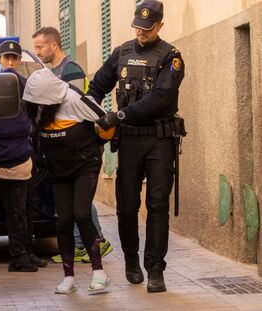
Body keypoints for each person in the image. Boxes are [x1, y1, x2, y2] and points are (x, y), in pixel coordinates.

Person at [88, 0, 185, 293]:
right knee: (127, 205)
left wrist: (119, 114)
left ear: (160, 26)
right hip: (128, 138)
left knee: (157, 204)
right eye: (138, 28)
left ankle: (155, 268)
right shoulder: (121, 53)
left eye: (148, 28)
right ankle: (131, 261)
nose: (141, 33)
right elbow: (97, 87)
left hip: (159, 138)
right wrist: (90, 111)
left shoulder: (171, 56)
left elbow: (161, 97)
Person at [23, 68, 113, 294]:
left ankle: (99, 273)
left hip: (85, 165)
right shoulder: (36, 109)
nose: (38, 105)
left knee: (81, 213)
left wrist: (99, 140)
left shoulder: (74, 100)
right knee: (63, 221)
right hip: (58, 169)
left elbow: (107, 121)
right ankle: (68, 277)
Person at [32, 26, 113, 264]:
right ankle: (90, 241)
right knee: (77, 201)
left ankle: (89, 243)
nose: (37, 53)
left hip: (81, 143)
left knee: (81, 202)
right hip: (65, 145)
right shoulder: (53, 71)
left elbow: (71, 105)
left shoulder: (71, 71)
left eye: (40, 47)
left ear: (53, 45)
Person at [0, 40, 45, 272]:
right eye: (6, 58)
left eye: (14, 58)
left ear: (19, 61)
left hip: (19, 163)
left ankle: (20, 257)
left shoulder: (27, 88)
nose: (9, 62)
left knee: (20, 214)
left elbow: (36, 117)